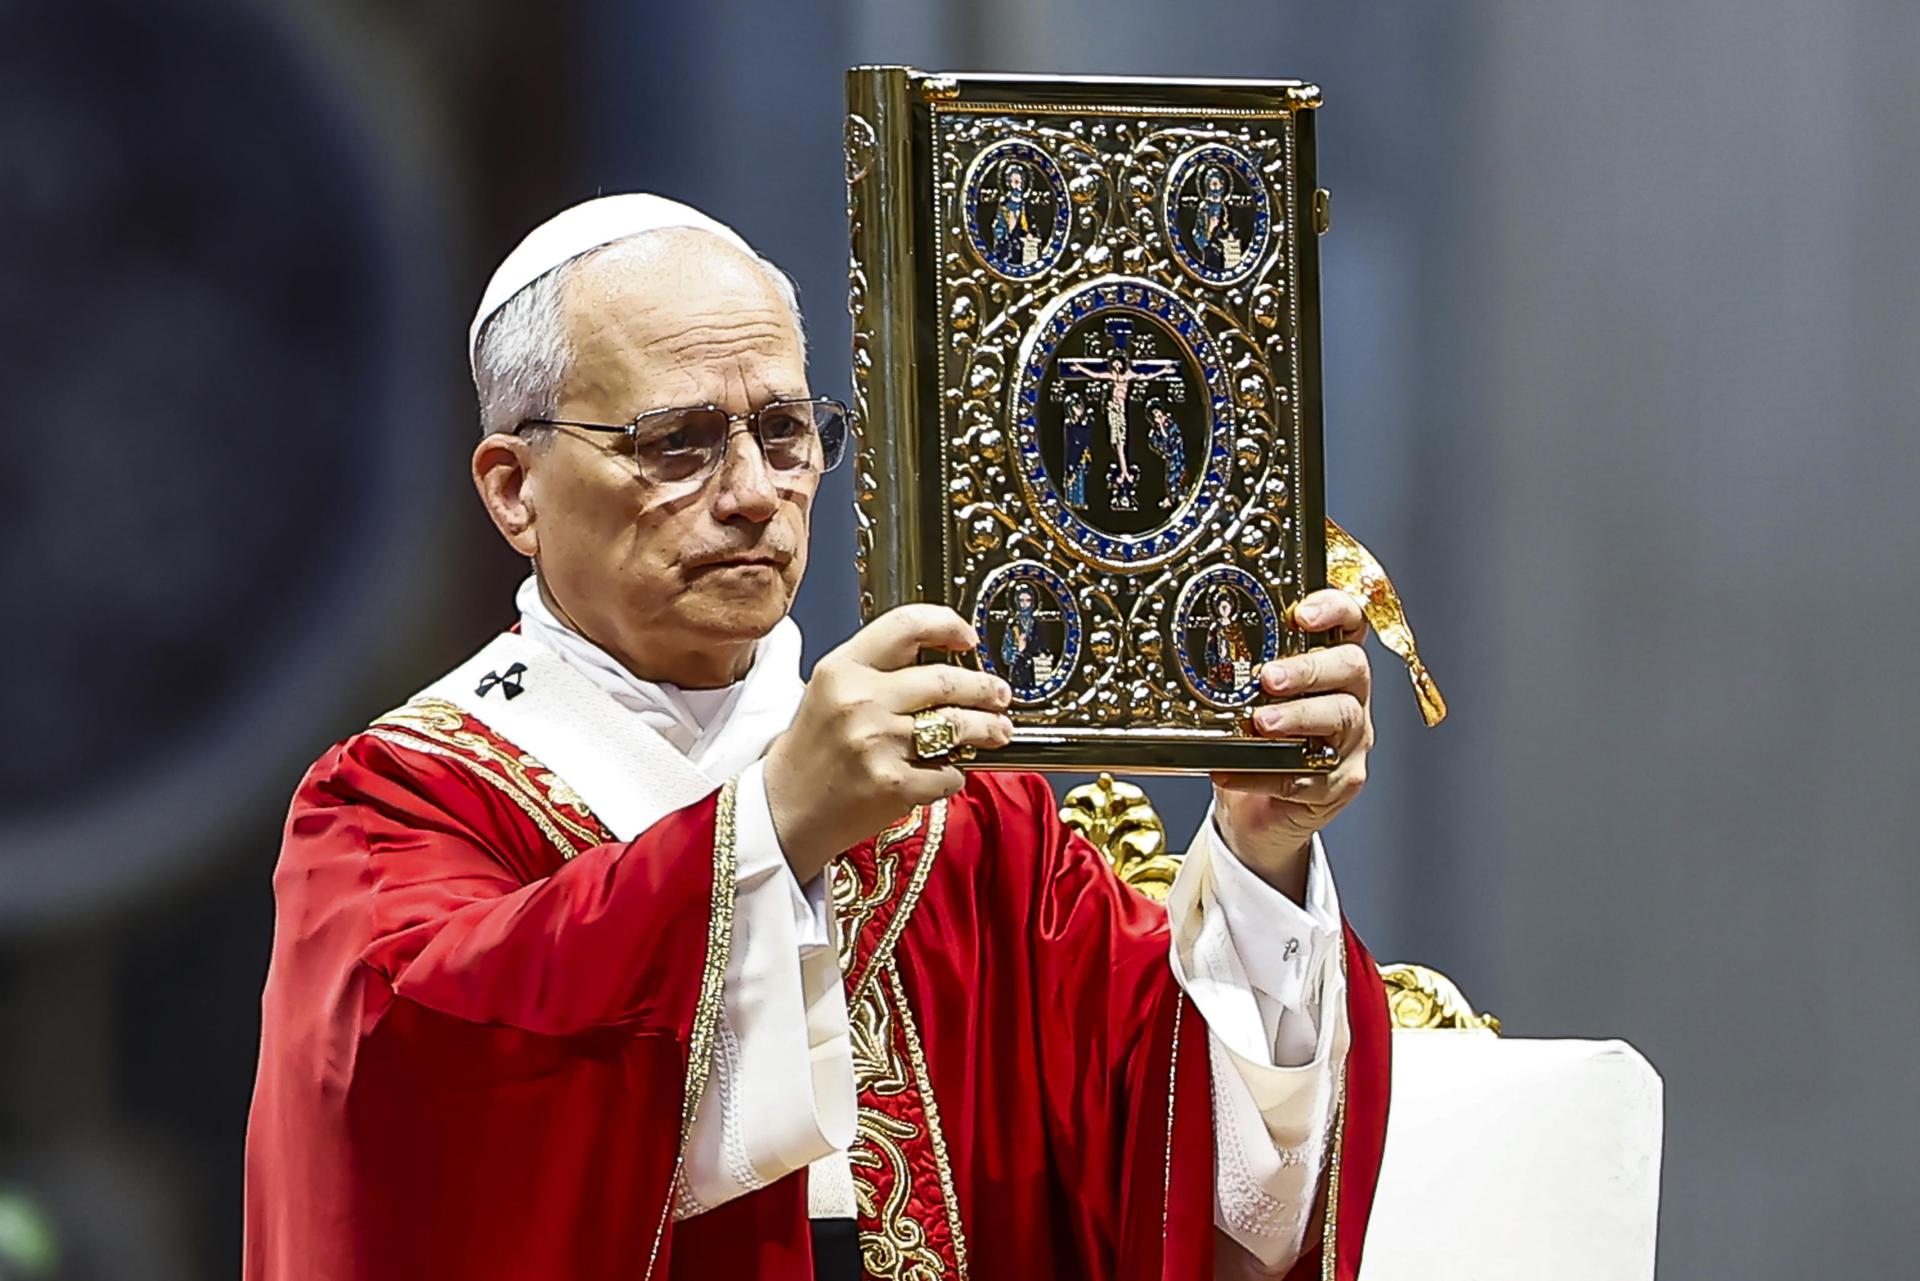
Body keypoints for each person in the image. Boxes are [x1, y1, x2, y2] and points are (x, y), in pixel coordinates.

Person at [243, 194, 1390, 1281]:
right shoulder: (402, 801)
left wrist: (1258, 849)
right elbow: (412, 1115)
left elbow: (1186, 1167)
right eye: (676, 443)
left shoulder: (961, 808)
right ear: (513, 489)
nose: (752, 491)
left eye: (786, 432)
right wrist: (777, 825)